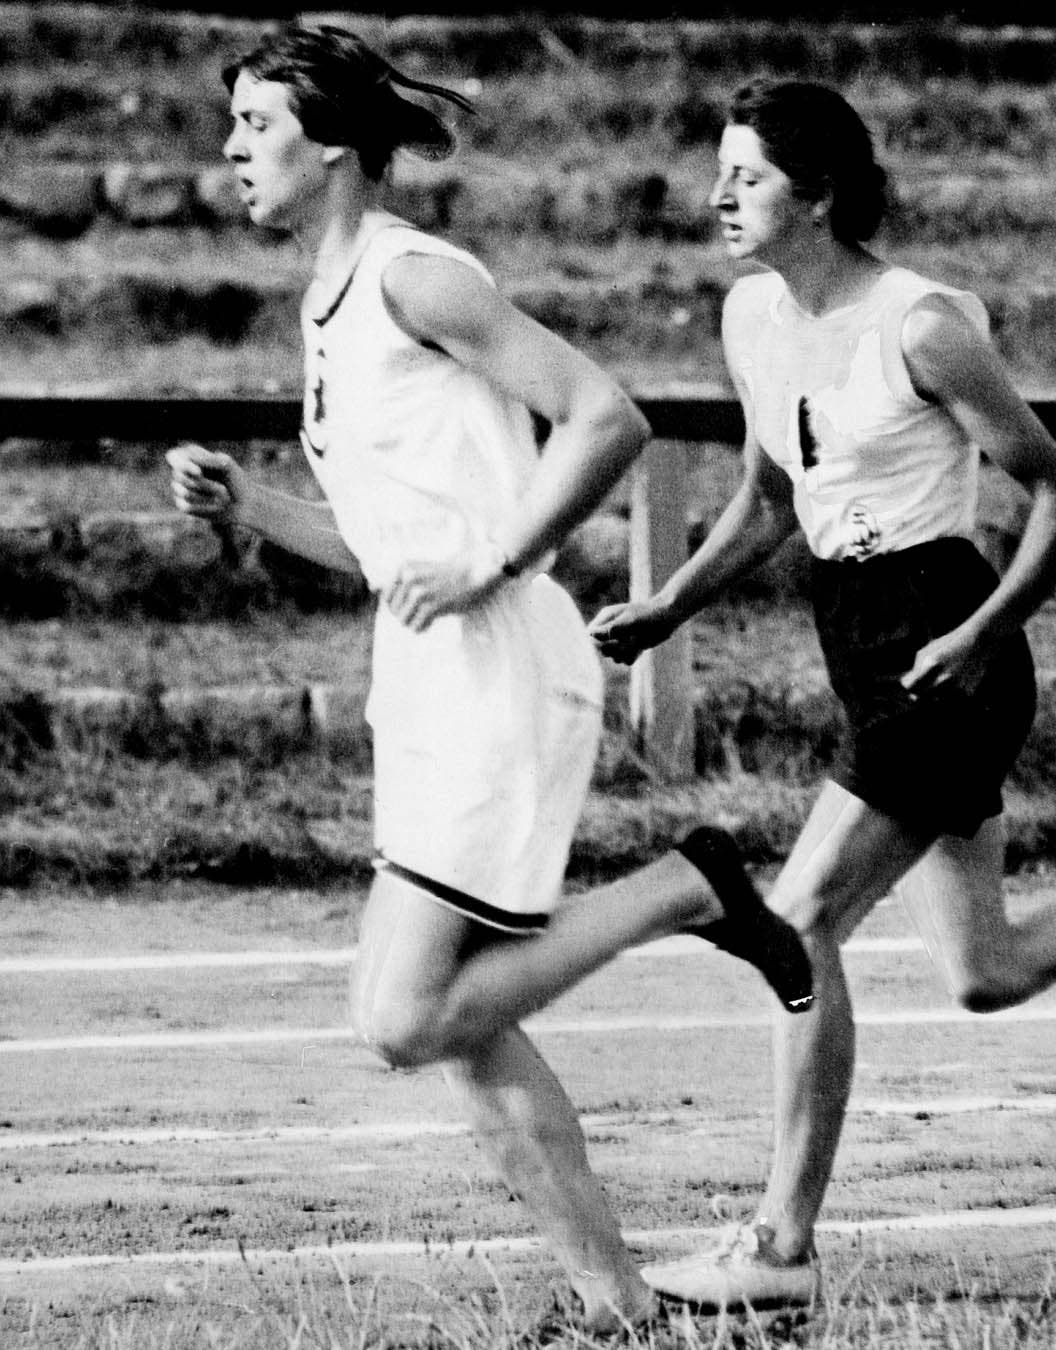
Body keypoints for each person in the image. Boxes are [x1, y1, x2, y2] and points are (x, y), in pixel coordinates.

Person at [588, 79, 1056, 1312]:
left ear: (822, 196)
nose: (721, 196)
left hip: (949, 639)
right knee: (985, 968)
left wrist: (979, 629)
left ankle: (781, 1249)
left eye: (749, 177)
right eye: (722, 174)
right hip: (861, 640)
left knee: (795, 924)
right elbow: (771, 499)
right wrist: (671, 604)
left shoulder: (924, 327)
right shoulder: (751, 317)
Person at [164, 26, 813, 1333]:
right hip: (432, 673)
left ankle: (683, 887)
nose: (232, 149)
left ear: (332, 144)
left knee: (401, 1016)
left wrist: (493, 559)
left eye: (254, 122)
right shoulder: (332, 299)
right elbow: (382, 547)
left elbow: (605, 414)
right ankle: (621, 1307)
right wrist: (251, 508)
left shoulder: (415, 275)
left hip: (499, 665)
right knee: (464, 1033)